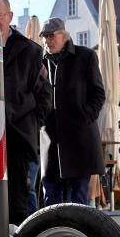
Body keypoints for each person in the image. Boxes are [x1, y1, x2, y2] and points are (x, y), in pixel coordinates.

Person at [0, 0, 51, 225]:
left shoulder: (29, 51)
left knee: (19, 202)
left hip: (18, 138)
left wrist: (30, 124)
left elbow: (44, 95)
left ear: (9, 17)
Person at [41, 18, 105, 205]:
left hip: (79, 138)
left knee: (79, 197)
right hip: (50, 139)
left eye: (51, 36)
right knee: (51, 196)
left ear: (64, 36)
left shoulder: (85, 56)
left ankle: (78, 234)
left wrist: (85, 116)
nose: (47, 41)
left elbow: (98, 93)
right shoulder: (40, 61)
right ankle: (53, 233)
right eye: (45, 36)